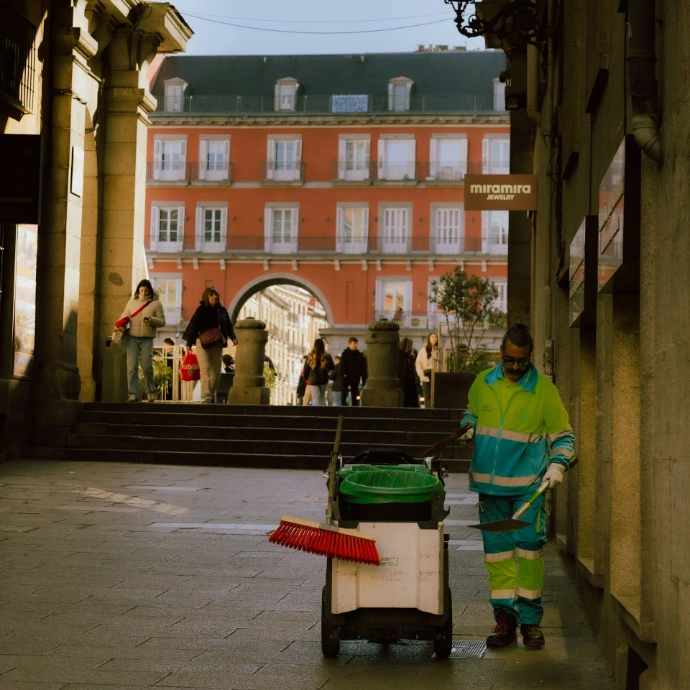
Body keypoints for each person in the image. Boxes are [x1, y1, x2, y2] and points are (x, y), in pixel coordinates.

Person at [460, 323, 575, 650]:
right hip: (490, 489)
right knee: (498, 557)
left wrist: (557, 464)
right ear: (501, 354)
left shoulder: (544, 392)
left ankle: (531, 622)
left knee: (528, 552)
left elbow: (564, 437)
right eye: (509, 360)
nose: (514, 367)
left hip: (528, 489)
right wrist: (468, 425)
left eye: (521, 361)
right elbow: (471, 412)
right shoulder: (483, 382)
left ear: (531, 357)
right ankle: (504, 620)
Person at [182, 287, 238, 404]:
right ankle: (206, 395)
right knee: (205, 368)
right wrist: (189, 342)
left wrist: (233, 337)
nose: (215, 297)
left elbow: (228, 324)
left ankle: (210, 394)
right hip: (201, 342)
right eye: (212, 295)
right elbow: (193, 326)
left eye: (216, 295)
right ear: (207, 297)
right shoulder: (201, 310)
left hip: (217, 342)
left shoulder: (221, 310)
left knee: (217, 373)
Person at [118, 279, 165, 402]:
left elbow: (162, 321)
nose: (143, 293)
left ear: (150, 291)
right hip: (132, 337)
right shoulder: (132, 301)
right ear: (138, 290)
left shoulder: (156, 304)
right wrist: (121, 325)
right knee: (131, 367)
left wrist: (152, 320)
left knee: (147, 367)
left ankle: (150, 391)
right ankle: (132, 394)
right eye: (141, 291)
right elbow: (125, 315)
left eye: (146, 291)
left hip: (147, 338)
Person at [302, 338, 334, 406]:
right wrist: (328, 371)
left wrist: (305, 378)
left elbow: (306, 369)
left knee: (315, 397)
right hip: (323, 380)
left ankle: (316, 413)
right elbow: (332, 367)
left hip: (313, 380)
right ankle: (321, 413)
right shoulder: (327, 356)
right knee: (322, 397)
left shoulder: (310, 356)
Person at [340, 336, 367, 406]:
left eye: (356, 343)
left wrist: (363, 378)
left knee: (355, 395)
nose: (356, 345)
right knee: (344, 394)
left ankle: (355, 407)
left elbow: (363, 367)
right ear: (349, 344)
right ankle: (343, 406)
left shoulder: (359, 355)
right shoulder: (345, 354)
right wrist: (345, 375)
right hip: (347, 378)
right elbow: (343, 366)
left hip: (355, 378)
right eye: (354, 343)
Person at [415, 332, 440, 407]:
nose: (434, 338)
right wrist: (421, 374)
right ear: (429, 339)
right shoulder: (423, 350)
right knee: (427, 395)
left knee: (435, 396)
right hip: (426, 375)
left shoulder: (439, 350)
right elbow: (418, 363)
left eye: (436, 337)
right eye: (432, 337)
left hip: (436, 375)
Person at [397, 338, 419, 407]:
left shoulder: (402, 355)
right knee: (408, 396)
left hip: (406, 378)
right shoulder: (403, 355)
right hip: (406, 378)